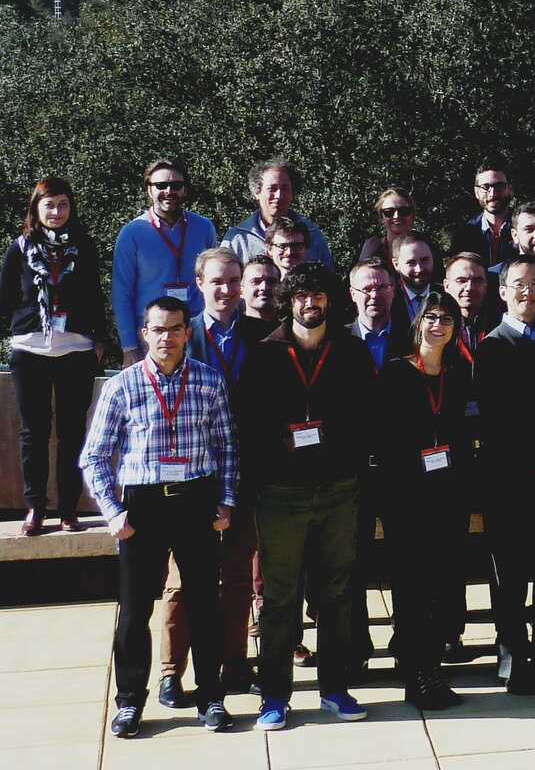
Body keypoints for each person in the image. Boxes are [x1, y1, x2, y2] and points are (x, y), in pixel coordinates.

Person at [80, 296, 239, 738]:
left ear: (188, 332)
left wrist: (226, 501)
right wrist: (113, 510)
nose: (166, 337)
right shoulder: (122, 386)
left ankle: (211, 697)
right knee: (134, 610)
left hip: (196, 501)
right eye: (158, 329)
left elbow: (226, 445)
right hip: (142, 506)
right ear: (144, 333)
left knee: (205, 603)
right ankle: (130, 702)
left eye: (175, 329)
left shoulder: (209, 381)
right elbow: (94, 455)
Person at [236, 263, 378, 730]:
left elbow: (367, 415)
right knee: (280, 599)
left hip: (339, 489)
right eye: (301, 296)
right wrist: (277, 447)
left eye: (317, 295)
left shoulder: (351, 350)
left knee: (337, 593)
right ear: (288, 301)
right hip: (282, 493)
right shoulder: (264, 353)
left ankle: (335, 688)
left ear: (330, 300)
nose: (309, 303)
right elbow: (248, 422)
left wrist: (342, 452)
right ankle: (275, 696)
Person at [161, 248, 268, 701]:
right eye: (217, 281)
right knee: (183, 578)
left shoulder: (264, 334)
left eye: (233, 280)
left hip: (247, 471)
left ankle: (235, 664)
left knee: (239, 575)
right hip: (193, 473)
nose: (226, 290)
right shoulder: (182, 335)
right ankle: (171, 671)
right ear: (199, 284)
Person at [475, 250, 535, 697]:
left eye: (534, 284)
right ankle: (512, 654)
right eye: (518, 285)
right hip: (509, 479)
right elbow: (497, 417)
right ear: (502, 292)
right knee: (508, 576)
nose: (527, 292)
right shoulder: (491, 347)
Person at [377, 289, 473, 710]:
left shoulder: (460, 372)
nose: (438, 325)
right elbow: (385, 439)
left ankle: (430, 668)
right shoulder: (396, 373)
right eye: (431, 317)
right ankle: (416, 674)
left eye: (446, 319)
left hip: (448, 494)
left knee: (441, 586)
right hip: (407, 497)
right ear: (418, 324)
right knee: (412, 587)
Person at [1, 175, 106, 535]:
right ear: (36, 208)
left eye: (63, 204)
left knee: (73, 433)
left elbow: (94, 294)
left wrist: (100, 340)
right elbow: (5, 297)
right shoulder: (19, 248)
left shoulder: (84, 247)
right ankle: (35, 508)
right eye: (49, 205)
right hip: (30, 349)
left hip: (75, 349)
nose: (57, 211)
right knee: (33, 433)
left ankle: (68, 509)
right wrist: (15, 333)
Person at [111, 159, 218, 361]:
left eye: (176, 185)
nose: (169, 191)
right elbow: (121, 293)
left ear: (185, 190)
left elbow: (214, 280)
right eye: (161, 185)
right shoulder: (132, 233)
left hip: (196, 333)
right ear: (148, 190)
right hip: (152, 336)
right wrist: (129, 347)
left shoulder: (204, 228)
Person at [222, 160, 335, 270]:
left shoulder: (313, 234)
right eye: (272, 189)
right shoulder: (238, 238)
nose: (279, 196)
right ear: (257, 193)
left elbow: (327, 277)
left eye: (285, 189)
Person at [449, 162, 516, 268]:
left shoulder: (524, 229)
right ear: (476, 192)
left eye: (499, 186)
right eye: (485, 187)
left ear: (510, 189)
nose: (493, 193)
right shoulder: (464, 236)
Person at [356, 185, 420, 266]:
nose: (396, 216)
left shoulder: (425, 246)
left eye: (404, 211)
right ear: (381, 217)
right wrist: (363, 260)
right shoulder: (370, 248)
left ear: (412, 215)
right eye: (389, 212)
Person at [240, 255, 280, 321]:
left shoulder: (292, 326)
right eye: (256, 282)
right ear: (241, 290)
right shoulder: (232, 326)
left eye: (271, 282)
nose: (264, 287)